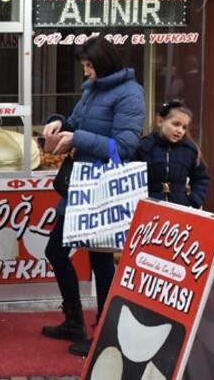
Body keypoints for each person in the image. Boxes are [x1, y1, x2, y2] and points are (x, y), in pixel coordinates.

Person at [41, 36, 145, 357]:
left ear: (103, 62)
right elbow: (75, 123)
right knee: (56, 251)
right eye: (84, 66)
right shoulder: (91, 89)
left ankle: (103, 333)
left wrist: (78, 137)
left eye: (89, 66)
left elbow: (124, 147)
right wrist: (57, 122)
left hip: (104, 190)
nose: (85, 72)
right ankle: (74, 320)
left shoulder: (131, 93)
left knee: (101, 263)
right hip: (80, 186)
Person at [135, 100, 210, 208]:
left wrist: (194, 202)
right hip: (149, 209)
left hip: (179, 209)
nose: (180, 130)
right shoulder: (144, 147)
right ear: (160, 121)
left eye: (184, 127)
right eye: (176, 124)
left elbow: (202, 178)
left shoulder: (189, 150)